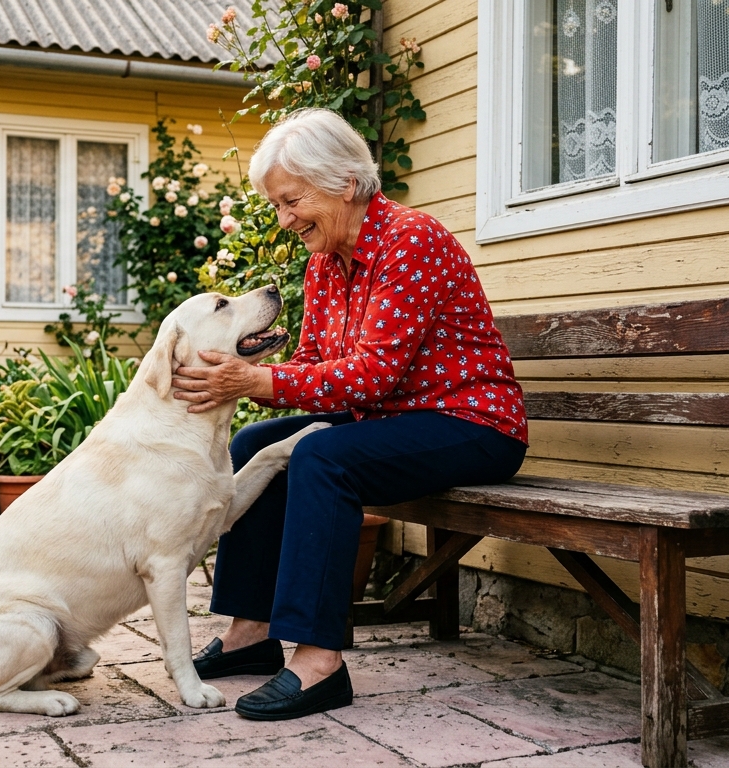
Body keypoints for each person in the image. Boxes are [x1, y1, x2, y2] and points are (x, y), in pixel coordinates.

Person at [171, 108, 529, 721]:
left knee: (320, 455)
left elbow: (374, 374)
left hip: (471, 423)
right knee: (258, 443)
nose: (285, 220)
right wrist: (243, 371)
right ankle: (251, 632)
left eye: (292, 201)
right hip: (386, 421)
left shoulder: (411, 240)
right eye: (277, 206)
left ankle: (319, 662)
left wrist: (258, 379)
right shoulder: (325, 263)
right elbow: (316, 368)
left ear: (343, 183)